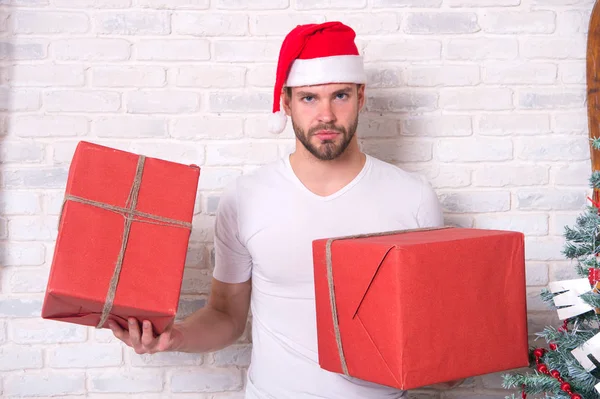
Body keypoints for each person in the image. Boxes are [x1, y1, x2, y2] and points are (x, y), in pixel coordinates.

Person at [109, 21, 454, 398]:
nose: (325, 114)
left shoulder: (413, 197)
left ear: (361, 96)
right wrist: (176, 338)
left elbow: (431, 327)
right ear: (286, 102)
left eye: (340, 95)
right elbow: (226, 314)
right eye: (309, 98)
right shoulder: (246, 197)